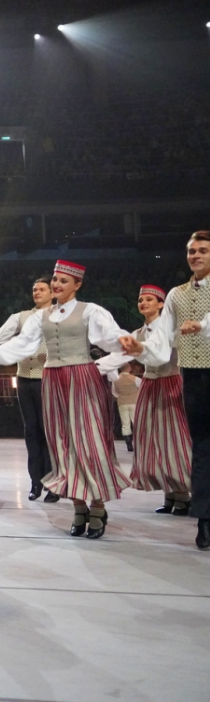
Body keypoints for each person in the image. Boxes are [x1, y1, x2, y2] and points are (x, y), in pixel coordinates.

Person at [0, 260, 133, 539]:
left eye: (63, 281)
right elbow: (23, 343)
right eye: (56, 280)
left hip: (83, 379)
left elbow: (120, 342)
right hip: (53, 380)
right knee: (62, 442)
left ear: (77, 285)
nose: (57, 285)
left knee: (89, 441)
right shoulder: (41, 317)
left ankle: (97, 505)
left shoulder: (90, 311)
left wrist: (101, 366)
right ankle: (78, 506)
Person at [122, 231, 210, 550]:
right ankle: (198, 514)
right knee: (194, 445)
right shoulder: (176, 295)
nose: (195, 255)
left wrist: (202, 326)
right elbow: (159, 350)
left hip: (184, 377)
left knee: (188, 441)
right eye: (191, 251)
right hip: (185, 377)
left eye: (202, 250)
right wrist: (138, 350)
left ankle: (189, 501)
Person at [102, 285, 191, 515]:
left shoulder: (170, 329)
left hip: (171, 382)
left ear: (161, 304)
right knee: (155, 441)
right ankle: (169, 493)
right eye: (141, 300)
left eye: (149, 299)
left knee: (174, 439)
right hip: (150, 385)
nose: (143, 303)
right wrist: (95, 368)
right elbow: (117, 356)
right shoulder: (137, 333)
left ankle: (182, 493)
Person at [0, 278, 55, 500]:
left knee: (50, 431)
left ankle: (54, 483)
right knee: (31, 431)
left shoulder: (59, 315)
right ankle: (36, 481)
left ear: (53, 292)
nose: (37, 292)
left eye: (42, 289)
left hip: (49, 378)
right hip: (25, 378)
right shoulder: (22, 316)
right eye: (34, 289)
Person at [111, 363, 142, 455]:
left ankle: (129, 445)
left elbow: (114, 392)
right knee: (136, 422)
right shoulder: (135, 379)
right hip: (133, 402)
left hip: (122, 403)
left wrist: (121, 396)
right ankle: (138, 442)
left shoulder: (115, 380)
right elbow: (141, 389)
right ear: (129, 368)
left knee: (125, 424)